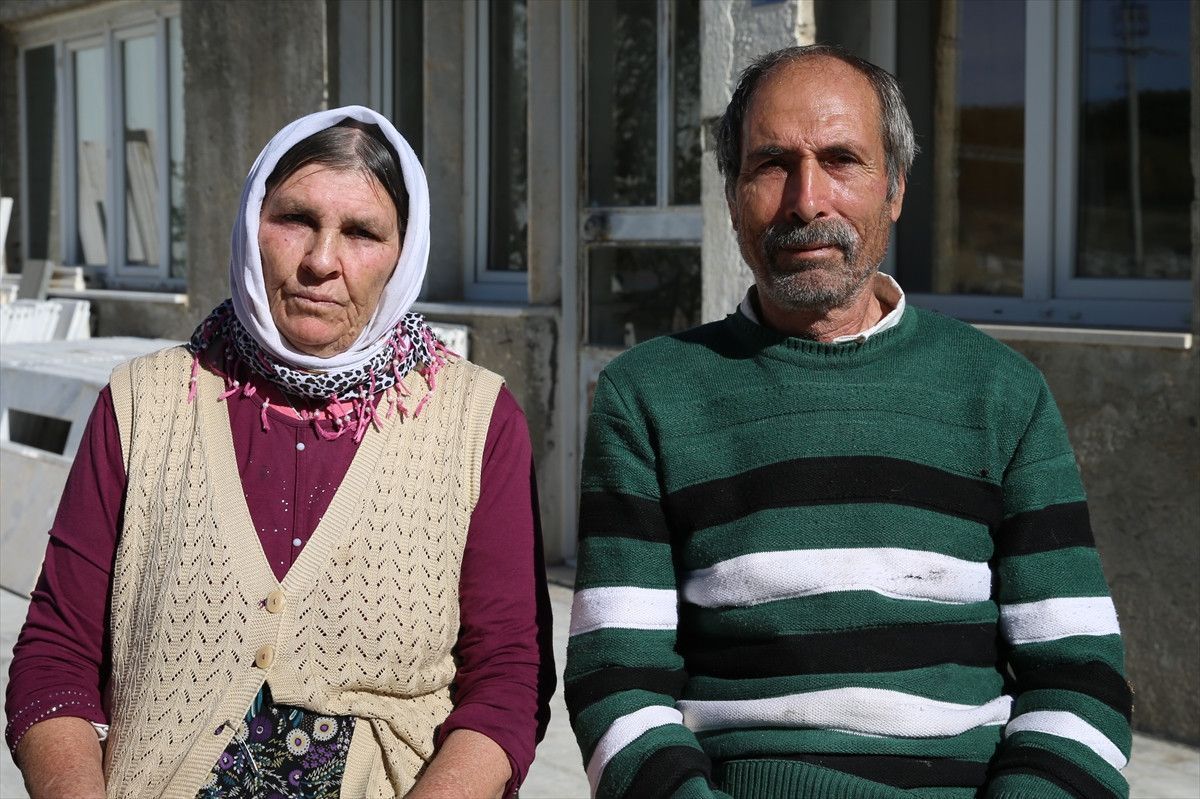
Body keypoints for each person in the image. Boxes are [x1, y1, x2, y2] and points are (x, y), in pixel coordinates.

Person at [565, 45, 1131, 799]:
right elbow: (616, 678)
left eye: (841, 160)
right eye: (771, 165)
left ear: (895, 189)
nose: (807, 201)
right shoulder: (649, 396)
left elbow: (1081, 679)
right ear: (731, 195)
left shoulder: (1001, 394)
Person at [6, 106, 554, 799]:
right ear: (250, 223)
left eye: (361, 232)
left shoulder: (476, 422)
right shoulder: (144, 404)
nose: (321, 261)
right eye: (295, 219)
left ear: (404, 252)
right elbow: (55, 655)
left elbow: (508, 680)